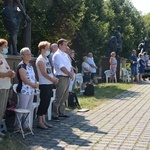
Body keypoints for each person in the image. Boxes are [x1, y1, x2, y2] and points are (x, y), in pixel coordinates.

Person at [36, 41, 59, 129]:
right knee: (43, 102)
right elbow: (43, 73)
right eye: (47, 49)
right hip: (44, 83)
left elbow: (49, 72)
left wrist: (54, 78)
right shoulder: (40, 59)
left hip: (49, 83)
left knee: (47, 102)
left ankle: (44, 120)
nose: (49, 50)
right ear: (42, 50)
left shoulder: (46, 59)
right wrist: (52, 79)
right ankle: (39, 121)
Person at [16, 47, 38, 130]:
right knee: (22, 108)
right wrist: (32, 84)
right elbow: (23, 78)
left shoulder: (30, 65)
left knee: (28, 108)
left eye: (30, 54)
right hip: (24, 90)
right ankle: (18, 126)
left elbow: (33, 76)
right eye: (27, 54)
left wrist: (36, 83)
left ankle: (25, 125)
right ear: (22, 56)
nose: (29, 55)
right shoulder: (22, 66)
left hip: (31, 90)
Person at [52, 38, 73, 121]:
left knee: (65, 96)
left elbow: (69, 65)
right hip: (61, 77)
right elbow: (61, 67)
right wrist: (69, 73)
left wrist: (71, 73)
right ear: (60, 45)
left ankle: (62, 112)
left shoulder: (65, 55)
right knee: (59, 96)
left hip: (67, 77)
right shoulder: (57, 55)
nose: (66, 46)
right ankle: (55, 114)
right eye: (64, 45)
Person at [0, 39, 16, 141]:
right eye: (5, 46)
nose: (7, 48)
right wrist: (7, 74)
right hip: (1, 86)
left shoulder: (3, 57)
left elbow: (7, 70)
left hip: (5, 86)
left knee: (1, 111)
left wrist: (12, 73)